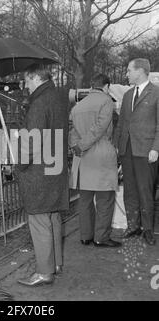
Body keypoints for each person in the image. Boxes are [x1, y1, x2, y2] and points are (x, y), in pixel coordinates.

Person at [15, 63, 69, 286]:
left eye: (27, 81)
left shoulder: (39, 103)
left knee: (39, 219)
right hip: (55, 168)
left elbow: (32, 141)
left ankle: (44, 273)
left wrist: (19, 164)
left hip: (39, 172)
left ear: (36, 77)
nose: (25, 86)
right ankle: (55, 264)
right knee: (52, 216)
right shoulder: (58, 97)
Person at [69, 74, 121, 248]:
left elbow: (72, 130)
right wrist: (83, 144)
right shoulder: (106, 101)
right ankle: (101, 238)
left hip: (82, 158)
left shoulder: (78, 106)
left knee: (85, 200)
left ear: (92, 86)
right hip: (101, 156)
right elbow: (100, 127)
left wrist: (77, 145)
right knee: (105, 199)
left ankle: (86, 236)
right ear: (106, 87)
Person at [114, 58, 159, 246]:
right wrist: (117, 145)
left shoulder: (156, 93)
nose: (127, 74)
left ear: (140, 71)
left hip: (146, 150)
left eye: (129, 70)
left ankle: (147, 229)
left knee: (145, 190)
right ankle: (133, 227)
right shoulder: (127, 94)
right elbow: (122, 123)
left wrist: (156, 148)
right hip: (127, 149)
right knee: (130, 190)